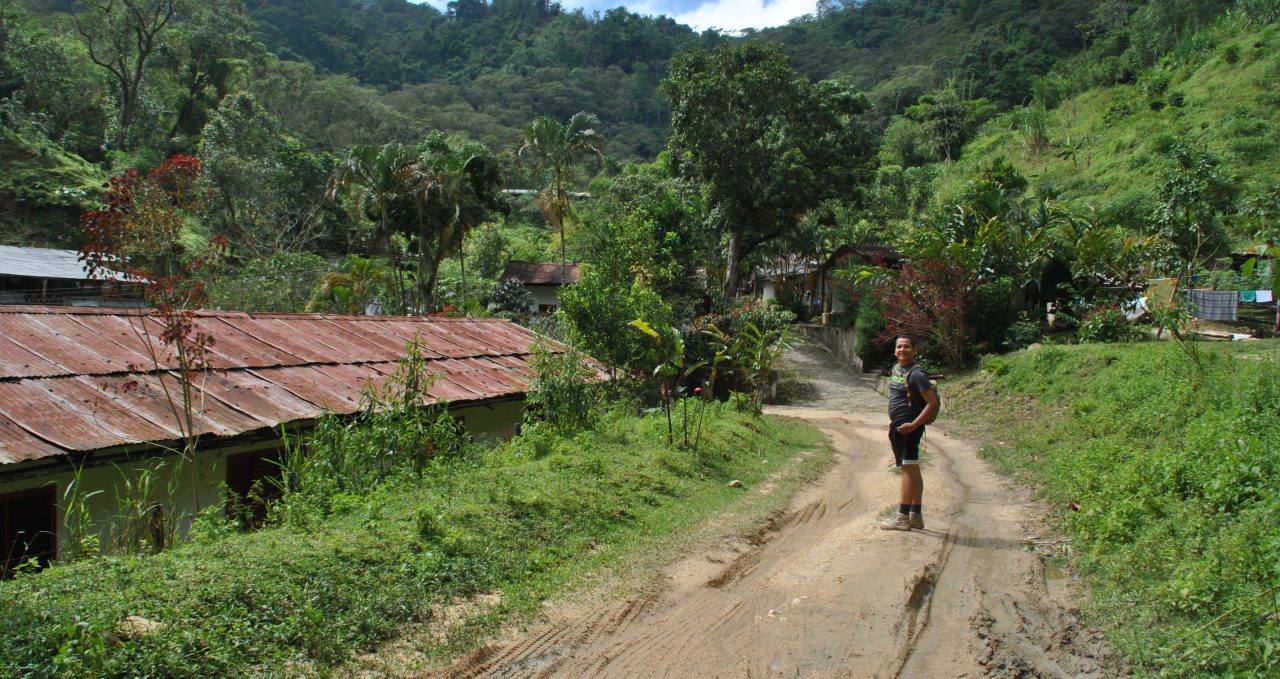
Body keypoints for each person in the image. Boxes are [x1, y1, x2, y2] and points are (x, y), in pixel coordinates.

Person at [880, 335, 938, 531]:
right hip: (899, 426)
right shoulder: (896, 369)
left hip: (908, 428)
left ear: (913, 350)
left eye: (906, 347)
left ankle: (902, 517)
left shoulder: (917, 375)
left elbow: (932, 404)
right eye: (899, 347)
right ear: (895, 350)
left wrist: (913, 425)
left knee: (907, 468)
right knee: (912, 469)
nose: (902, 350)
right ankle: (915, 515)